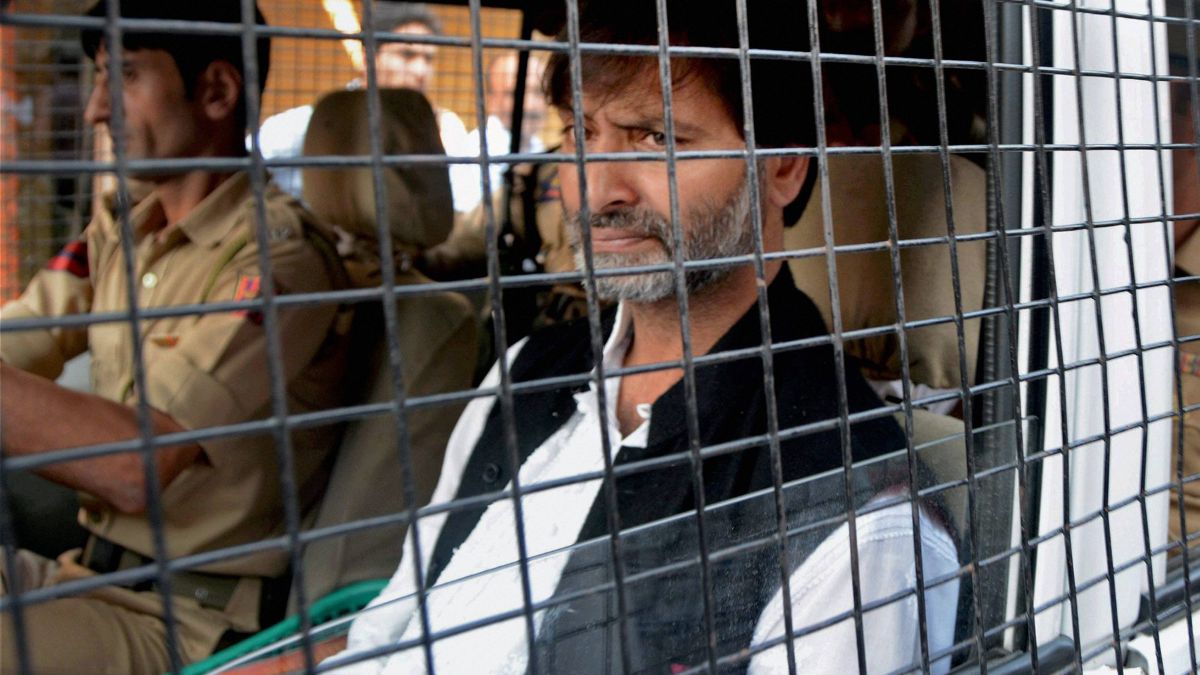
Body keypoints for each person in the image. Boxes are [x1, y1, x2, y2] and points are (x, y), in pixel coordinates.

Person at [325, 0, 959, 672]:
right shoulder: (523, 372)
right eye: (580, 133)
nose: (598, 191)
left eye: (656, 138)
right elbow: (388, 629)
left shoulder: (854, 510)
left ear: (783, 164)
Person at [0, 1, 351, 672]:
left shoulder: (280, 265)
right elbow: (23, 335)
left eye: (125, 75)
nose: (95, 110)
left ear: (217, 91)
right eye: (100, 78)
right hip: (87, 576)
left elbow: (135, 467)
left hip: (186, 620)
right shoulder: (124, 233)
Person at [256, 2, 470, 201]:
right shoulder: (307, 127)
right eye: (407, 55)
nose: (420, 71)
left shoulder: (443, 130)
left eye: (428, 59)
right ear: (369, 57)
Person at [449, 51, 548, 214]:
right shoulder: (472, 153)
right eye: (515, 93)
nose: (530, 105)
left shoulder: (540, 149)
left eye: (538, 92)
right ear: (491, 100)